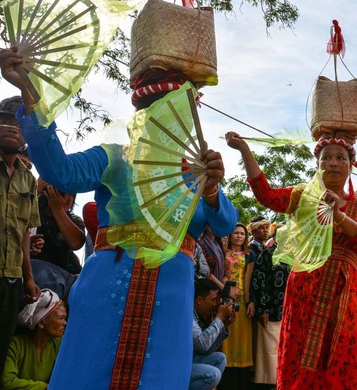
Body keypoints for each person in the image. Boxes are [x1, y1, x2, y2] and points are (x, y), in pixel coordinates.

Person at [2, 46, 239, 389]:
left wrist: (213, 189)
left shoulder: (195, 175)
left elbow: (224, 225)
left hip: (169, 298)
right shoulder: (114, 158)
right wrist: (29, 90)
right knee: (89, 374)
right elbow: (61, 171)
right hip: (107, 288)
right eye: (155, 112)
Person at [226, 131, 357, 390]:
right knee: (300, 354)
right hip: (304, 287)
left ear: (351, 166)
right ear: (317, 165)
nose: (332, 162)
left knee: (342, 353)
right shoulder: (301, 196)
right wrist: (244, 150)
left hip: (345, 289)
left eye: (340, 157)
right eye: (326, 157)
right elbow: (266, 195)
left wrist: (339, 215)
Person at [0, 95, 40, 378]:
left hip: (11, 279)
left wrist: (28, 277)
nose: (11, 128)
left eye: (18, 123)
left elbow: (26, 232)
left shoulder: (28, 179)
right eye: (4, 121)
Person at [249, 221, 290, 386]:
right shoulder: (267, 254)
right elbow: (259, 282)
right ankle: (272, 384)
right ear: (275, 236)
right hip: (271, 309)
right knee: (270, 352)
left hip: (291, 311)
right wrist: (263, 308)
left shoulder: (296, 255)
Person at [2, 289, 66, 390]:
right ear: (41, 323)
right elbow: (7, 382)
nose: (65, 323)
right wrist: (44, 387)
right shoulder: (15, 345)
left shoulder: (60, 343)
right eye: (61, 318)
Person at [219, 223, 254, 390]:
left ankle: (241, 377)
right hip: (224, 299)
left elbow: (252, 280)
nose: (239, 236)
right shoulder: (222, 252)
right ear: (230, 235)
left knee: (242, 339)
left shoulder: (250, 255)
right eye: (236, 233)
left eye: (242, 233)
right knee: (226, 335)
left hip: (242, 299)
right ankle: (225, 374)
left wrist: (251, 301)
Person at [31, 179, 85, 274]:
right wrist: (36, 189)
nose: (68, 199)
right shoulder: (34, 210)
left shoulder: (74, 220)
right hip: (38, 269)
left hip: (67, 272)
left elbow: (76, 243)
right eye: (64, 193)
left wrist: (57, 209)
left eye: (72, 195)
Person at [191, 279, 236, 390]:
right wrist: (219, 317)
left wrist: (224, 326)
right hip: (180, 366)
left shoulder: (197, 314)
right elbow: (203, 344)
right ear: (199, 300)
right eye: (213, 300)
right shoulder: (188, 314)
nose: (215, 305)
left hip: (190, 360)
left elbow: (206, 350)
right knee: (213, 374)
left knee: (220, 358)